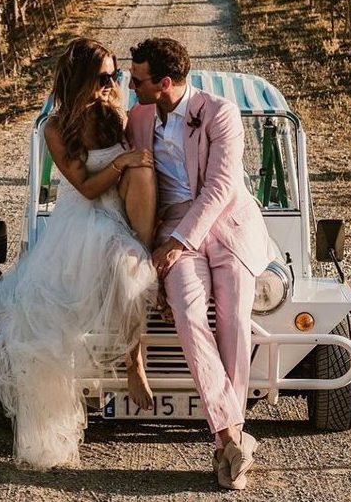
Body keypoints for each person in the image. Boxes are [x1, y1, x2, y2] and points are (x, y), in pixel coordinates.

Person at [0, 37, 157, 470]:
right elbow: (85, 185)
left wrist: (124, 121)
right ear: (80, 78)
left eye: (115, 74)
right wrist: (122, 163)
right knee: (120, 275)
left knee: (134, 263)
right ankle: (133, 360)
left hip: (122, 215)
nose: (111, 82)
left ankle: (134, 353)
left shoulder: (118, 110)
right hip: (83, 221)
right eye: (104, 76)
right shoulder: (55, 128)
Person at [126, 38, 274, 490]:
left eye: (138, 80)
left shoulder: (219, 113)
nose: (131, 87)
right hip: (171, 225)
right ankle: (232, 437)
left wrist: (177, 243)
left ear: (164, 83)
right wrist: (163, 241)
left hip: (227, 225)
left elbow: (221, 186)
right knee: (191, 315)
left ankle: (224, 443)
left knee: (233, 317)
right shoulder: (137, 117)